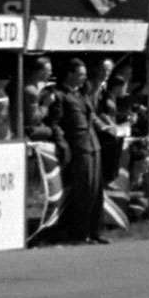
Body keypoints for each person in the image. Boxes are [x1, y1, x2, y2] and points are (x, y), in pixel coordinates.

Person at [44, 58, 106, 246]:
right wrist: (63, 144)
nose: (84, 78)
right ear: (69, 74)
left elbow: (91, 116)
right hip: (78, 146)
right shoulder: (59, 95)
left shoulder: (81, 94)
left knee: (96, 190)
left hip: (93, 144)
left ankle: (95, 231)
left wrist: (104, 128)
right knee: (84, 190)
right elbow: (54, 123)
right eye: (80, 75)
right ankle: (80, 232)